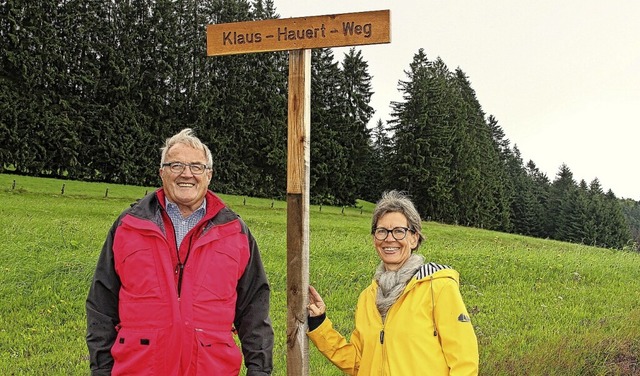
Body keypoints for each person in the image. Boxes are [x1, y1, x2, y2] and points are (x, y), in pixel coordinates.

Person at [86, 128, 274, 375]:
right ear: (161, 172)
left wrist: (259, 370)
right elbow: (102, 304)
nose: (187, 174)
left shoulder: (235, 232)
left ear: (209, 175)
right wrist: (101, 369)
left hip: (211, 368)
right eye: (176, 166)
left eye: (197, 167)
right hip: (139, 368)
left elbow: (254, 309)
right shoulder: (128, 226)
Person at [307, 190, 479, 375]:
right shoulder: (368, 297)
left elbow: (464, 362)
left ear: (414, 238)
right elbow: (359, 363)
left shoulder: (438, 286)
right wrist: (319, 323)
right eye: (382, 231)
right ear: (374, 239)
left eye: (399, 231)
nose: (389, 238)